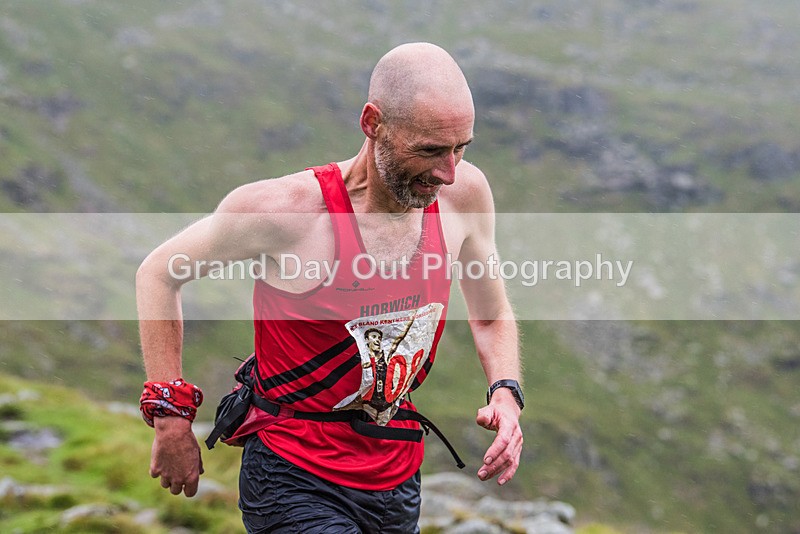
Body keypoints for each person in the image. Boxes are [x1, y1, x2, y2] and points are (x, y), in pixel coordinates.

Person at [136, 42, 523, 533]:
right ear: (372, 123)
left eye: (460, 148)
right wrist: (170, 415)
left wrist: (506, 394)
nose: (448, 172)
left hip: (396, 476)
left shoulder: (464, 194)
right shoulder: (284, 213)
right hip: (292, 475)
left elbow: (491, 315)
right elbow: (159, 272)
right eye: (429, 151)